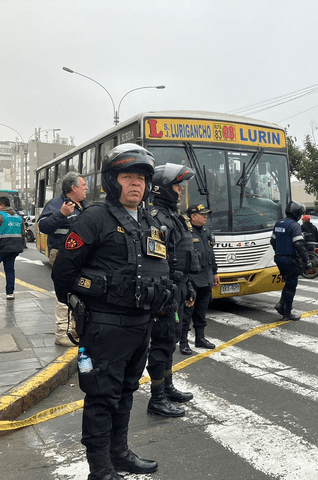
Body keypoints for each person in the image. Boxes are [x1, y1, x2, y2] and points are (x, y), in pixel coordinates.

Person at [51, 144, 173, 479]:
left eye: (142, 179)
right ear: (112, 180)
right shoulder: (94, 219)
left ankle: (119, 454)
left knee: (125, 393)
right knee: (101, 399)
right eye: (128, 176)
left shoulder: (150, 222)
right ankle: (100, 469)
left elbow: (161, 268)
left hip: (140, 325)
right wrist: (89, 300)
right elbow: (64, 274)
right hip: (105, 327)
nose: (137, 184)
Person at [146, 163, 199, 418]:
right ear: (163, 188)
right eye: (177, 186)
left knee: (169, 341)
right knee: (160, 343)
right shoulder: (156, 217)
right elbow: (155, 260)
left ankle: (167, 388)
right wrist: (164, 291)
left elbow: (182, 256)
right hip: (164, 291)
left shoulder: (172, 216)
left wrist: (187, 286)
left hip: (176, 287)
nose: (180, 190)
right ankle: (156, 398)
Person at [37, 171, 89, 346]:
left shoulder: (85, 205)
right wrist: (61, 214)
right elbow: (43, 226)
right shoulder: (56, 204)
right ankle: (62, 332)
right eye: (84, 185)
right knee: (65, 291)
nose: (87, 188)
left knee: (80, 290)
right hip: (61, 254)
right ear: (73, 188)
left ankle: (75, 329)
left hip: (83, 256)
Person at [179, 204, 219, 355]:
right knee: (187, 312)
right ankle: (183, 342)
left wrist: (215, 272)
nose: (205, 217)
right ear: (192, 216)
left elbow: (211, 254)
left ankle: (200, 338)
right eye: (202, 214)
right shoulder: (185, 233)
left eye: (205, 214)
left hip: (206, 276)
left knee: (201, 311)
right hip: (192, 279)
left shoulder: (207, 232)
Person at [271, 201, 312, 321]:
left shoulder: (279, 223)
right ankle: (287, 313)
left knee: (288, 282)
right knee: (291, 285)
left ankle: (281, 305)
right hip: (289, 258)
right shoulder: (294, 225)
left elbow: (272, 241)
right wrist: (307, 260)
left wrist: (279, 251)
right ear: (296, 213)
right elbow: (299, 244)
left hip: (278, 258)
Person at [0, 197, 24, 301]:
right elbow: (23, 233)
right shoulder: (18, 217)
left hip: (2, 247)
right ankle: (10, 293)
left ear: (2, 206)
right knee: (10, 270)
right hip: (14, 248)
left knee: (9, 270)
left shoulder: (1, 216)